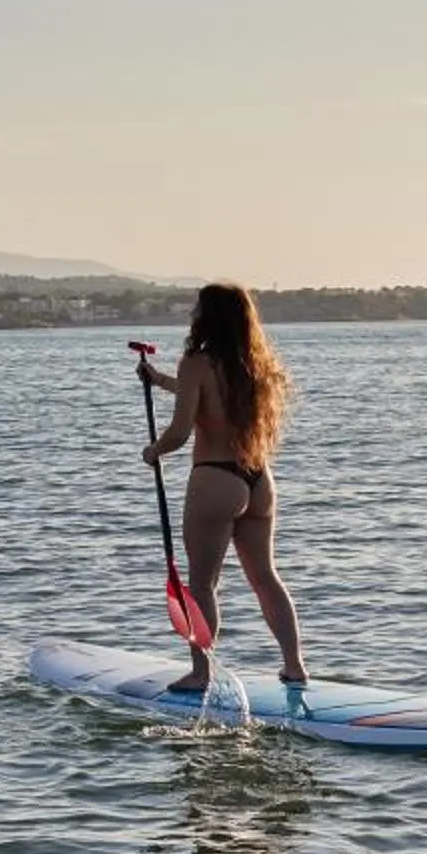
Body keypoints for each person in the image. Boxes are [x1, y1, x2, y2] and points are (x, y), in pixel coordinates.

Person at [141, 282, 307, 696]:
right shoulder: (256, 366)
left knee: (201, 584)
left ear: (208, 316)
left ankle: (201, 674)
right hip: (258, 480)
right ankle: (295, 666)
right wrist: (160, 379)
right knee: (265, 577)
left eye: (198, 308)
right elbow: (210, 399)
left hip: (214, 480)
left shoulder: (197, 362)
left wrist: (153, 451)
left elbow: (181, 431)